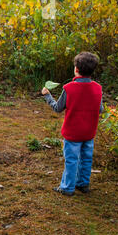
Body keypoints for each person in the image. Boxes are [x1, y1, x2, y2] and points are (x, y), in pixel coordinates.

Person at [41, 52, 103, 196]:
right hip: (89, 132)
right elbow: (100, 109)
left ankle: (67, 188)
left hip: (72, 133)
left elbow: (57, 108)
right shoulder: (98, 88)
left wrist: (47, 96)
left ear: (76, 69)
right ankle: (83, 184)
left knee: (71, 160)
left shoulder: (69, 88)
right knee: (86, 159)